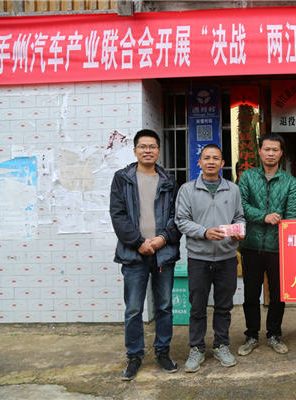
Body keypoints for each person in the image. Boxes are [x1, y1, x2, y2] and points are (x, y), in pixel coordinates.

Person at [110, 129, 181, 381]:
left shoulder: (169, 181)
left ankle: (162, 352)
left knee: (164, 306)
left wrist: (162, 239)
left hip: (163, 253)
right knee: (133, 309)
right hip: (134, 254)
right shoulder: (122, 179)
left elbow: (177, 216)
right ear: (135, 151)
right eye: (143, 146)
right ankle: (134, 356)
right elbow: (118, 215)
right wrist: (139, 242)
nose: (148, 150)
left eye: (152, 146)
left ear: (159, 151)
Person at [175, 144, 245, 372]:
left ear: (223, 163)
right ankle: (196, 347)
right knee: (197, 307)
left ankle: (221, 345)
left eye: (216, 158)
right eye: (206, 158)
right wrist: (204, 232)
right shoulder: (187, 189)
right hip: (199, 258)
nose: (211, 162)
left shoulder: (232, 189)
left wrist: (239, 231)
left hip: (227, 257)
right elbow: (181, 220)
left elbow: (239, 217)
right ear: (200, 162)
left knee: (224, 306)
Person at [237, 132, 296, 356]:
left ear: (281, 152)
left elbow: (292, 214)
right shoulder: (247, 177)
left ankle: (274, 334)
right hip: (251, 246)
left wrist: (288, 241)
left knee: (278, 295)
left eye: (275, 150)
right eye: (267, 149)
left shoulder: (291, 182)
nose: (270, 153)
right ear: (259, 151)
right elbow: (241, 206)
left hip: (278, 249)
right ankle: (251, 335)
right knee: (250, 295)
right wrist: (264, 216)